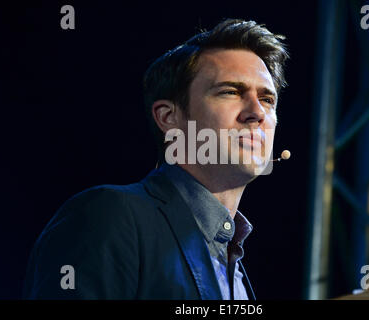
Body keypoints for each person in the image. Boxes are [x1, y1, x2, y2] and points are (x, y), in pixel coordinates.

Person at [23, 18, 289, 300]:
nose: (257, 112)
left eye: (267, 99)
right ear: (168, 117)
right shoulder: (110, 215)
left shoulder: (235, 268)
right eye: (230, 92)